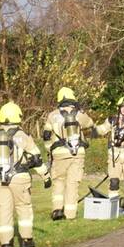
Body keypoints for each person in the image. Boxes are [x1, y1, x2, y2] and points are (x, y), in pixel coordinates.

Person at [0, 101, 50, 247]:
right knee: (23, 208)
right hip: (20, 178)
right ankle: (27, 240)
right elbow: (37, 158)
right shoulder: (24, 137)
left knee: (4, 212)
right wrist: (46, 176)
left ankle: (6, 244)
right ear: (18, 116)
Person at [42, 87, 96, 220]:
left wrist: (50, 150)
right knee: (72, 184)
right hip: (77, 153)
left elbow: (46, 135)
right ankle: (70, 214)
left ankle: (57, 210)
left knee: (59, 182)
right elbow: (91, 124)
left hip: (59, 153)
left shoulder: (52, 115)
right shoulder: (79, 114)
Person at [96, 95, 124, 208]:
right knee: (114, 181)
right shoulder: (112, 120)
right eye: (122, 107)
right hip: (114, 156)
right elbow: (101, 130)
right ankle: (113, 205)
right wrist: (92, 129)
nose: (123, 109)